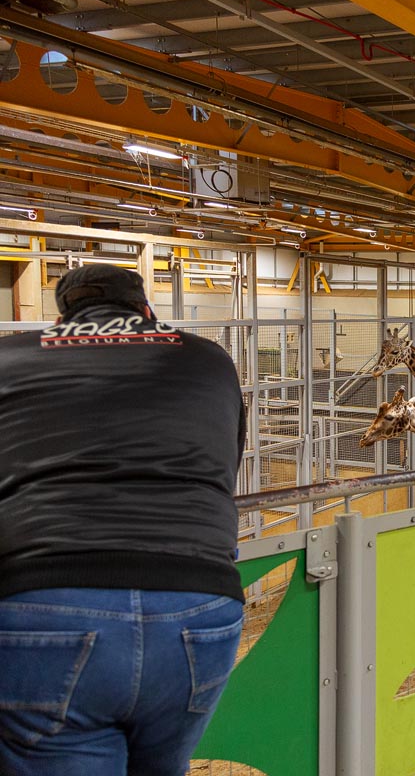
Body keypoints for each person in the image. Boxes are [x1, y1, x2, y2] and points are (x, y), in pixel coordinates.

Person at [0, 264, 247, 774]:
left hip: (49, 600)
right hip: (199, 603)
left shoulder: (9, 357)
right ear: (143, 308)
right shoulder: (209, 359)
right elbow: (226, 461)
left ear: (63, 313)